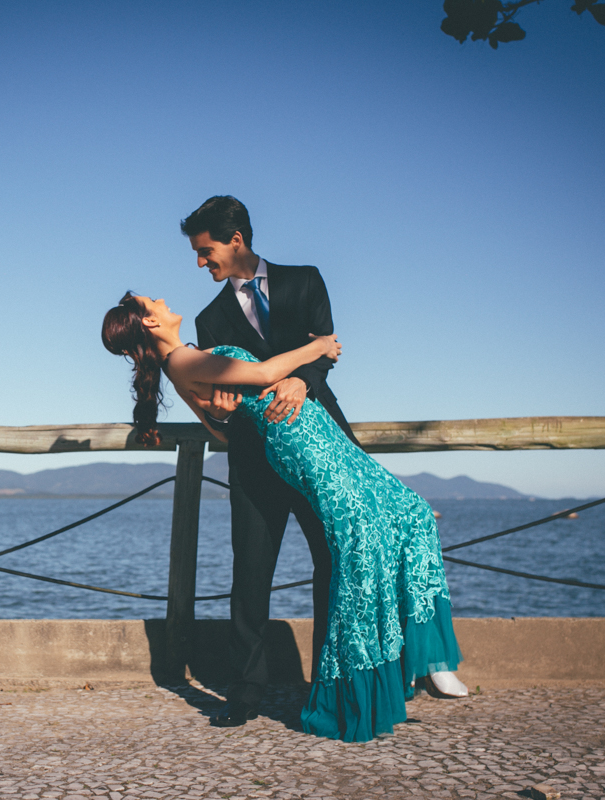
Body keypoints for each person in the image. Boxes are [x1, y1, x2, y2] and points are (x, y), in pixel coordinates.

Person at [100, 292, 467, 742]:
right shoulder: (181, 361)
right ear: (150, 324)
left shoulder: (189, 356)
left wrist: (225, 412)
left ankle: (412, 658)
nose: (161, 299)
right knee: (360, 542)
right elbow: (264, 374)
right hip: (300, 443)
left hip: (319, 430)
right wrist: (320, 346)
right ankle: (359, 686)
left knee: (410, 514)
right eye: (151, 301)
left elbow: (219, 427)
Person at [181, 195, 360, 727]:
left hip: (319, 447)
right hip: (254, 455)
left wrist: (302, 381)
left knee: (333, 560)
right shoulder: (209, 319)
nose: (201, 263)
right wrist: (221, 407)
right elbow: (223, 394)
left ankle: (330, 682)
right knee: (251, 572)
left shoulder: (305, 281)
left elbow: (325, 349)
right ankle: (245, 691)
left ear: (235, 240)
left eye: (205, 251)